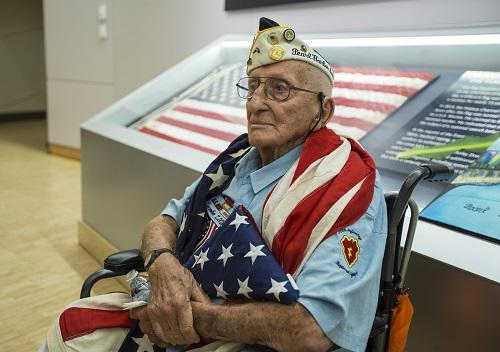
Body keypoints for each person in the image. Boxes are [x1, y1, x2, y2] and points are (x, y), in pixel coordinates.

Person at [129, 17, 387, 352]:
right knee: (71, 325)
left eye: (280, 89)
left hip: (240, 342)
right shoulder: (236, 160)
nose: (255, 103)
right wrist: (163, 264)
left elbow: (309, 330)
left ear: (323, 112)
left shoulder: (345, 185)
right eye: (253, 86)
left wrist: (188, 316)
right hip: (174, 321)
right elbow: (165, 221)